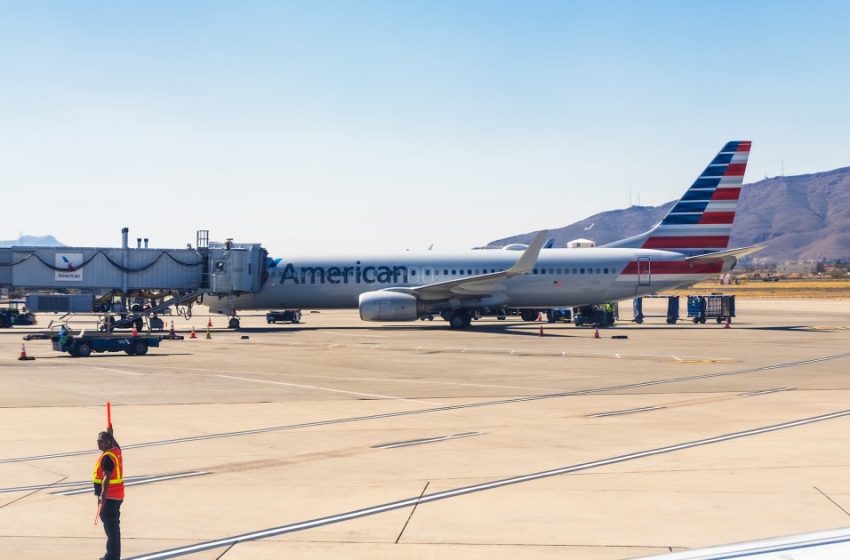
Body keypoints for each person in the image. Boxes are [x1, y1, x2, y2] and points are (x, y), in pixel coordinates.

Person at [94, 427, 123, 560]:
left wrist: (102, 496)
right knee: (114, 529)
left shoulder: (107, 458)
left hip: (110, 497)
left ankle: (112, 556)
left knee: (111, 529)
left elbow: (106, 477)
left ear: (108, 443)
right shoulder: (115, 452)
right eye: (98, 441)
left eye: (101, 441)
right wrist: (112, 435)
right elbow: (117, 446)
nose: (98, 443)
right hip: (117, 496)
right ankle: (112, 554)